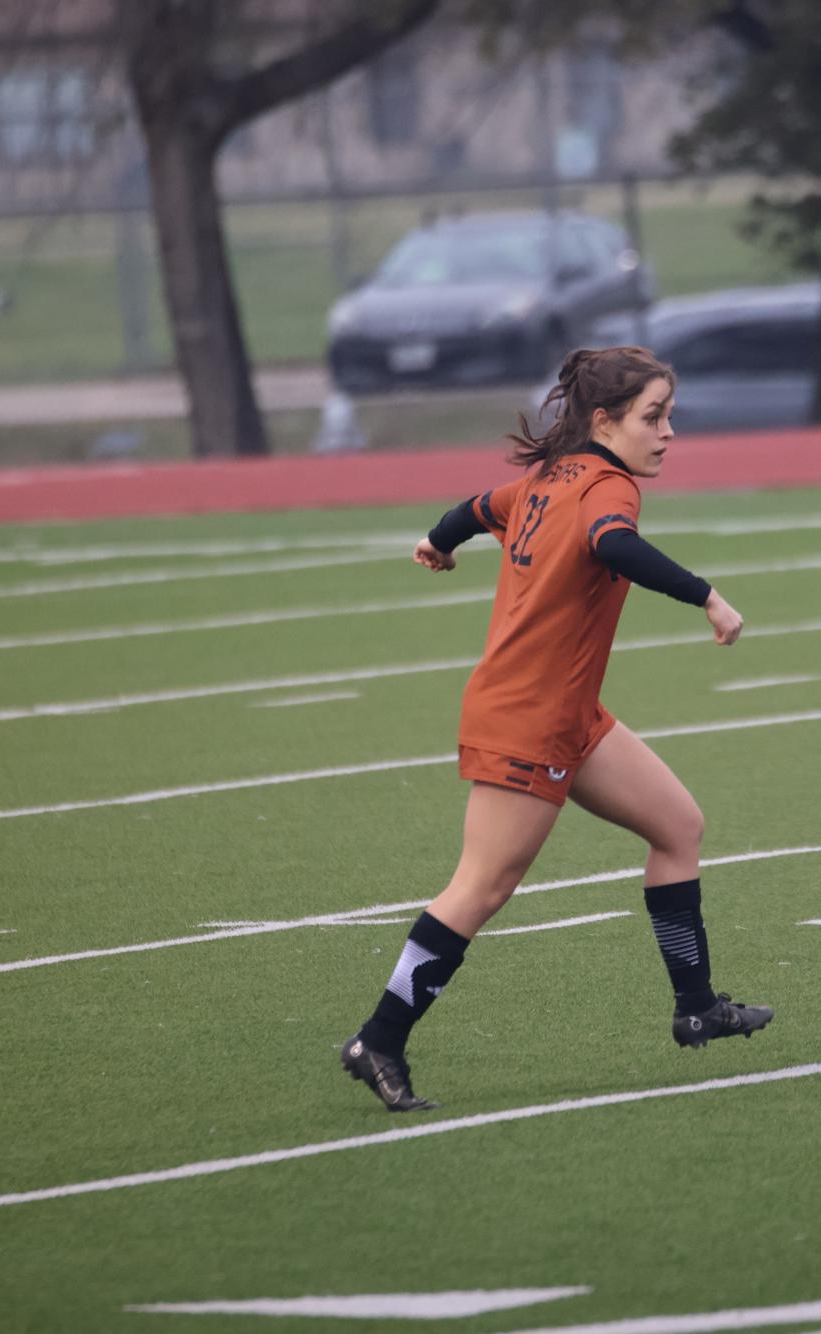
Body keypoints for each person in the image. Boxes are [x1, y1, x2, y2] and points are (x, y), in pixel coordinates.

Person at [340, 345, 774, 1113]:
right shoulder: (607, 487)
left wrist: (438, 542)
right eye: (653, 416)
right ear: (603, 421)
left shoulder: (547, 477)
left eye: (669, 414)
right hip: (528, 719)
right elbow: (612, 544)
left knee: (677, 826)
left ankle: (696, 1006)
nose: (668, 432)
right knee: (482, 886)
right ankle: (379, 1037)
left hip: (569, 713)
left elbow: (476, 508)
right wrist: (706, 595)